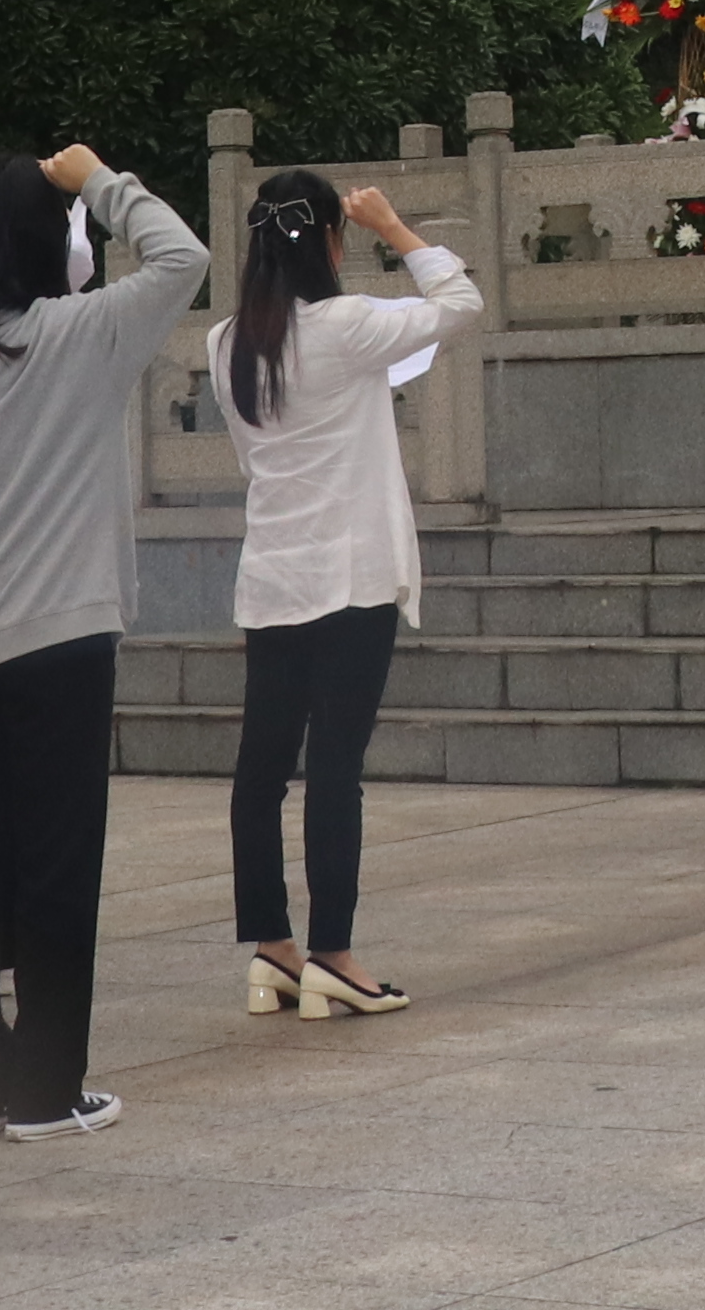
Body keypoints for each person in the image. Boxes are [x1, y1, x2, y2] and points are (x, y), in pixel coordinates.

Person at [0, 140, 205, 1142]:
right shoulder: (79, 335)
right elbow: (181, 259)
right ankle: (47, 1091)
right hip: (60, 634)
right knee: (56, 861)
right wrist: (99, 179)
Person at [216, 168, 480, 1014]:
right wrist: (396, 229)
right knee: (335, 768)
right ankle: (332, 952)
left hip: (274, 576)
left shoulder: (226, 342)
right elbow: (460, 302)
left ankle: (272, 949)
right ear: (331, 241)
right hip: (353, 575)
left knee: (261, 773)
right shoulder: (348, 325)